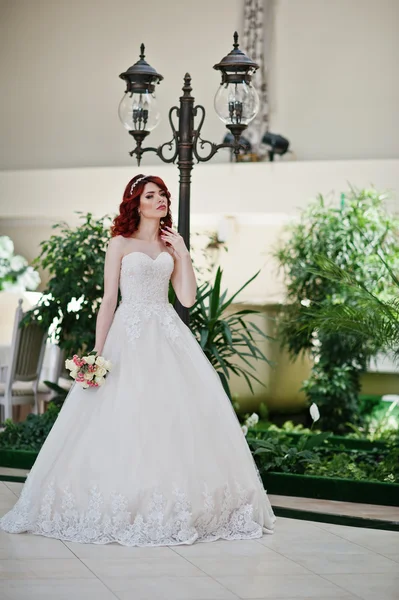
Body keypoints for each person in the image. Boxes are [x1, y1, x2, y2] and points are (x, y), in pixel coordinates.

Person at [0, 174, 276, 546]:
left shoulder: (169, 244)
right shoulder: (120, 243)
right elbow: (109, 301)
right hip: (127, 336)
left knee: (172, 415)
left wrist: (183, 253)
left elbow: (188, 298)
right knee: (123, 412)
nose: (161, 199)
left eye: (163, 194)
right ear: (137, 203)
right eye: (152, 195)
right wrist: (97, 353)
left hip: (167, 335)